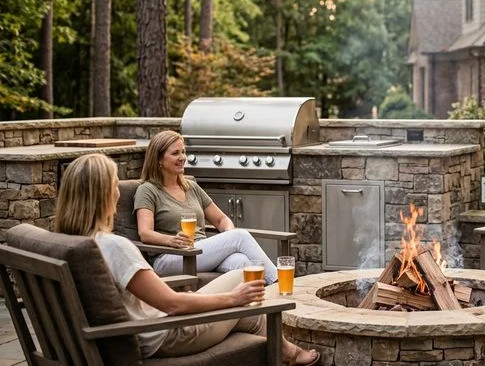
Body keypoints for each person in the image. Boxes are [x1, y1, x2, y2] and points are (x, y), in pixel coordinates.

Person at [54, 153, 319, 365]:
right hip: (168, 334)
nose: (118, 193)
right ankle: (288, 352)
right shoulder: (113, 246)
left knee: (245, 289)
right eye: (113, 186)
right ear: (101, 195)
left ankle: (286, 353)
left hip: (144, 327)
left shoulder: (67, 243)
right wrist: (232, 299)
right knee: (246, 296)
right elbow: (172, 304)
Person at [135, 130, 278, 284]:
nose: (182, 157)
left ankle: (262, 304)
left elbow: (221, 219)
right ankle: (277, 282)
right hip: (169, 257)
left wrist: (228, 235)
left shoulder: (191, 187)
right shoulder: (148, 190)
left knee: (241, 262)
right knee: (240, 236)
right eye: (175, 153)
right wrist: (171, 240)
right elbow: (145, 233)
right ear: (159, 160)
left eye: (183, 152)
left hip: (200, 251)